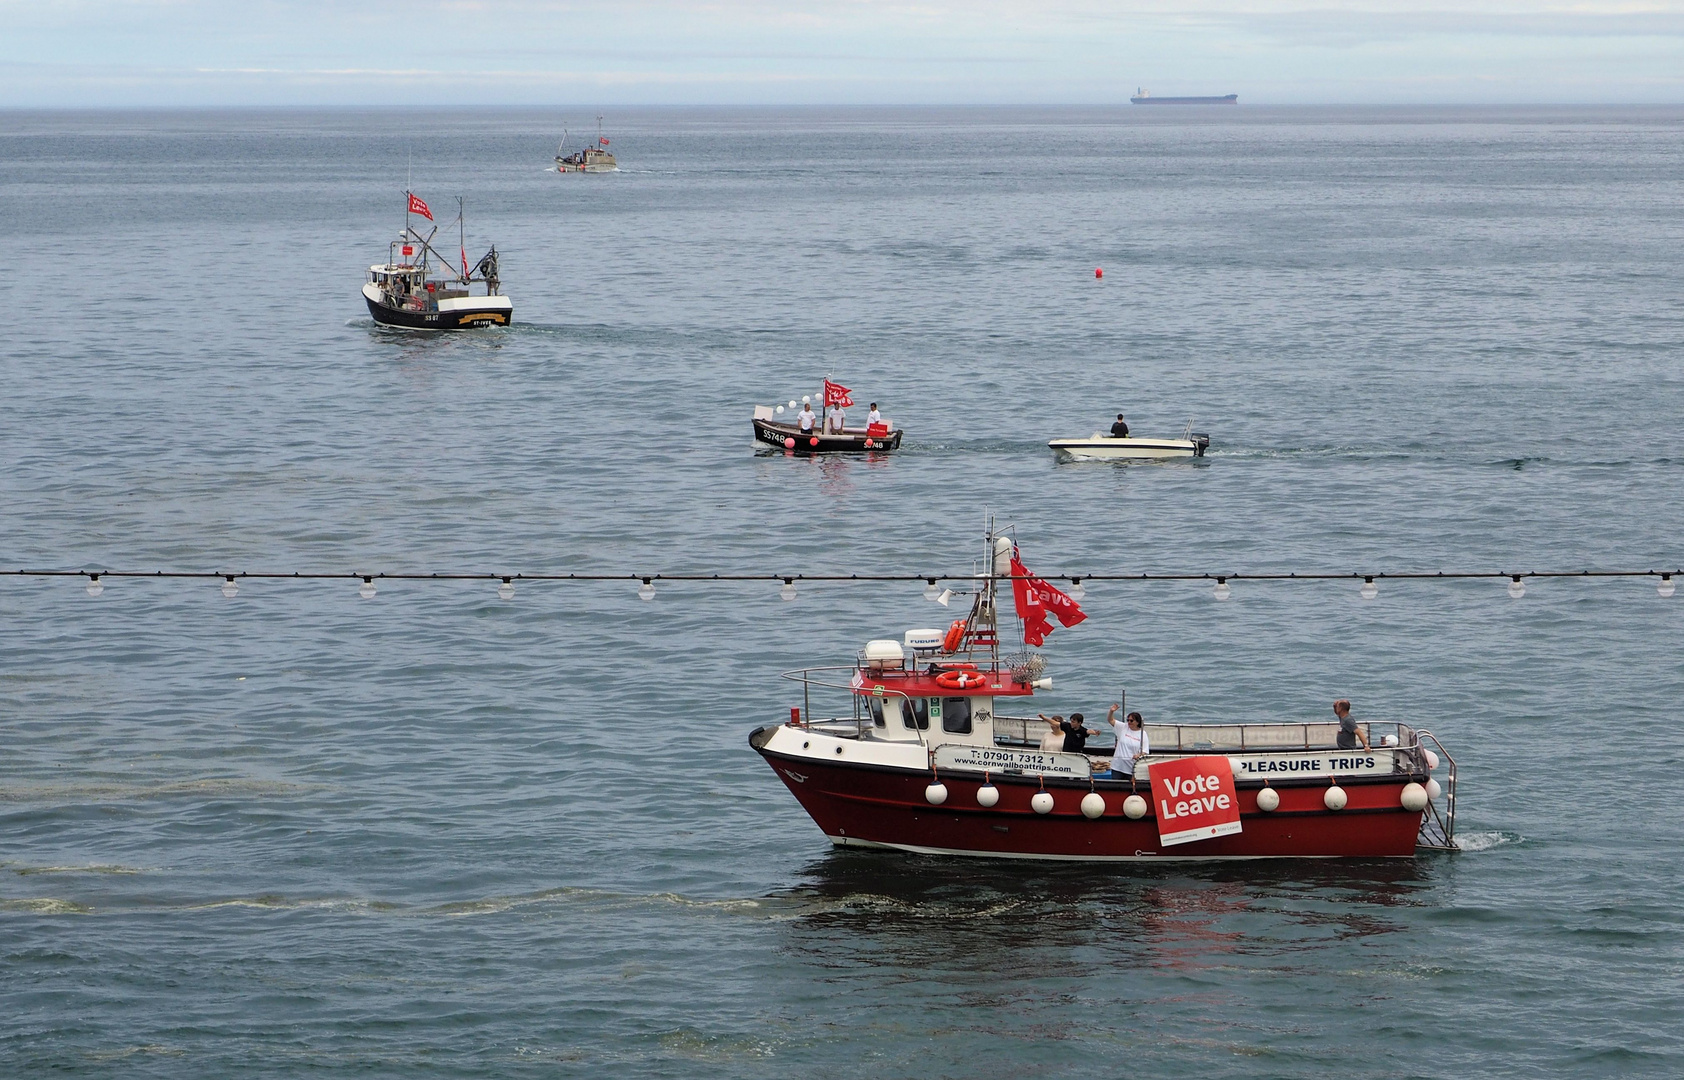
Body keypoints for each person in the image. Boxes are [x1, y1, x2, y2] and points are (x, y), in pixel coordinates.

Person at [1100, 706, 1149, 778]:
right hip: (1118, 766)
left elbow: (1145, 750)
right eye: (1128, 720)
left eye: (1131, 721)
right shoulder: (1123, 727)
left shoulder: (1143, 734)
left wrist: (1138, 755)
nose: (1129, 722)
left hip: (1131, 766)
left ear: (1137, 722)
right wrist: (1111, 711)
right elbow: (1110, 720)